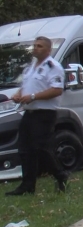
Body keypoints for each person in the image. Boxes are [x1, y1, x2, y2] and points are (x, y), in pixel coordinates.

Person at [5, 36, 69, 196]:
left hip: (44, 114)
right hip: (29, 113)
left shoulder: (53, 67)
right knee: (25, 150)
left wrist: (33, 96)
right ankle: (27, 185)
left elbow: (57, 90)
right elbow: (25, 86)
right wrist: (19, 94)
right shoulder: (31, 67)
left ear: (48, 50)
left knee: (41, 148)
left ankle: (60, 174)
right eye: (34, 45)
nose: (35, 48)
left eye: (39, 46)